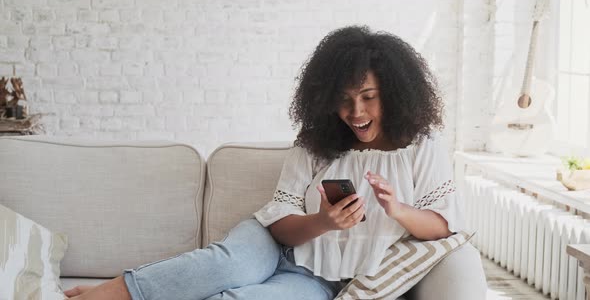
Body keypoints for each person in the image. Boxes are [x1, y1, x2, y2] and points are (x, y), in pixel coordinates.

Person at [64, 25, 485, 300]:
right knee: (228, 263)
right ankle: (115, 291)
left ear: (394, 93)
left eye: (368, 96)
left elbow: (444, 226)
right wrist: (324, 221)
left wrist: (397, 210)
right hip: (275, 244)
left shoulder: (422, 145)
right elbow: (280, 222)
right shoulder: (317, 142)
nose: (355, 111)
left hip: (318, 282)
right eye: (343, 99)